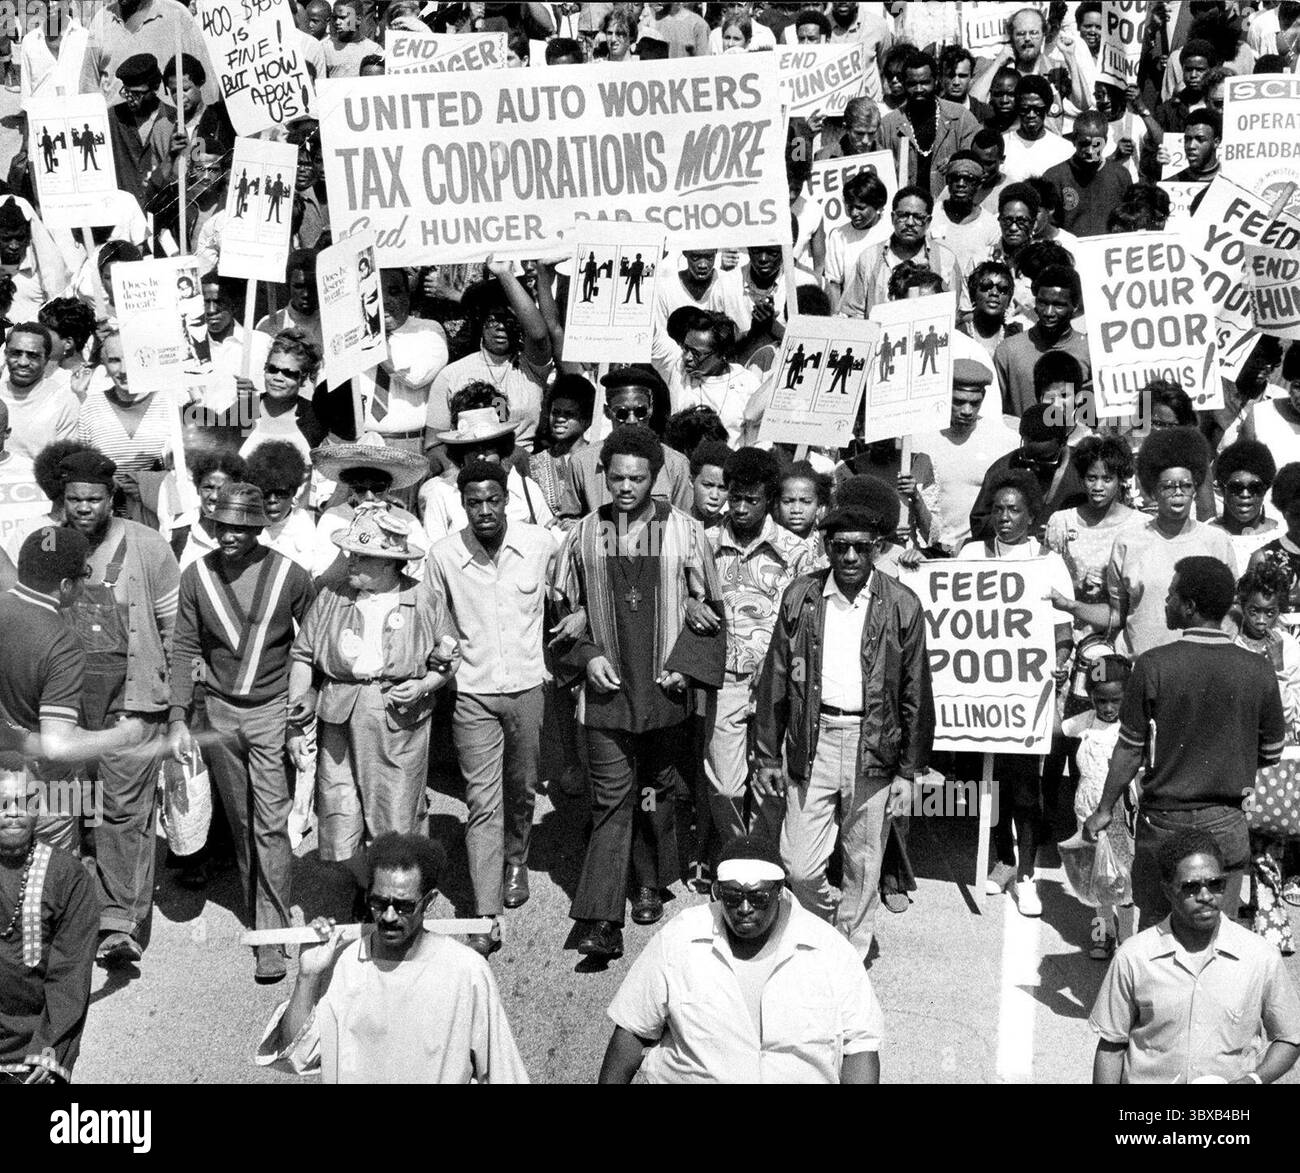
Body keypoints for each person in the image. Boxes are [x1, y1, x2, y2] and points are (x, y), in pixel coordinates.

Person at [552, 425, 725, 960]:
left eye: (638, 477)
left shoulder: (685, 532)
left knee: (656, 793)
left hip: (663, 693)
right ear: (602, 475)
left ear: (657, 477)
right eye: (617, 477)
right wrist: (586, 656)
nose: (626, 488)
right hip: (606, 696)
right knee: (612, 801)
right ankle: (601, 921)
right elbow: (557, 618)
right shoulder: (582, 535)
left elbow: (713, 614)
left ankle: (650, 879)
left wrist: (685, 666)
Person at [752, 484, 934, 960]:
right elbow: (774, 677)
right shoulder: (802, 597)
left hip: (872, 745)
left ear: (877, 547)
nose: (851, 555)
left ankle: (846, 957)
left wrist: (909, 772)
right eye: (840, 546)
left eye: (861, 546)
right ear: (825, 546)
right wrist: (768, 754)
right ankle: (825, 925)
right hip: (811, 740)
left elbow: (916, 693)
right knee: (800, 864)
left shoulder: (902, 604)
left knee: (863, 860)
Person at [1085, 557, 1286, 929]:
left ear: (1190, 606)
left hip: (1164, 825)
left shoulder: (1152, 665)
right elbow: (1272, 752)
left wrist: (1104, 809)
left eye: (1172, 595)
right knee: (1217, 934)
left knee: (1157, 931)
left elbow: (1129, 749)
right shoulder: (1259, 668)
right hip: (1227, 823)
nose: (1165, 602)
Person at [167, 484, 316, 985]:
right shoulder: (196, 576)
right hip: (221, 712)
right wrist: (177, 718)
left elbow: (312, 640)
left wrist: (303, 703)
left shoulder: (290, 575)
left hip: (272, 711)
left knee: (270, 821)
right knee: (242, 818)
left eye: (241, 527)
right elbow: (184, 643)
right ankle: (261, 908)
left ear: (259, 527)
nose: (230, 536)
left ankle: (270, 935)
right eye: (221, 526)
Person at [598, 834, 883, 1084]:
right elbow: (631, 1032)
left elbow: (861, 1048)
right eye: (732, 897)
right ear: (718, 892)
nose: (744, 908)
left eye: (758, 897)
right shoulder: (678, 939)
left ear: (781, 891)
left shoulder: (830, 951)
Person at [289, 507, 459, 911]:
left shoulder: (423, 599)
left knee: (396, 810)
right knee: (341, 805)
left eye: (361, 556)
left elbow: (450, 657)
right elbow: (303, 655)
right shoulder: (331, 597)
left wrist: (423, 685)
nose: (350, 562)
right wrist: (296, 721)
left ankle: (400, 893)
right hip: (338, 715)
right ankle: (368, 885)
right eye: (350, 553)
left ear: (390, 563)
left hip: (397, 718)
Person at [256, 832, 529, 1083]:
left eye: (403, 906)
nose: (388, 916)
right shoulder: (345, 965)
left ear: (430, 901)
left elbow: (503, 1072)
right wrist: (308, 975)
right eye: (378, 903)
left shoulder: (466, 971)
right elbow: (297, 1054)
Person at [425, 460, 556, 958]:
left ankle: (516, 857)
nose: (484, 510)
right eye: (474, 501)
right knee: (482, 801)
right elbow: (434, 613)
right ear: (463, 504)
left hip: (527, 688)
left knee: (521, 787)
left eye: (492, 500)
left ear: (507, 500)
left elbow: (572, 587)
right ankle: (483, 914)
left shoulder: (539, 545)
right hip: (473, 693)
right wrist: (441, 646)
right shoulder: (443, 555)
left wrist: (576, 615)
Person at [61, 449, 179, 968]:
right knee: (67, 804)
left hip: (132, 697)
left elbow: (176, 631)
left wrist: (179, 708)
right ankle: (65, 912)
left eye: (93, 499)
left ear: (113, 499)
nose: (83, 509)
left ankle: (120, 922)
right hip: (65, 698)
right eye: (73, 500)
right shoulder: (47, 546)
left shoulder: (149, 548)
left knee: (124, 811)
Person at [1090, 828, 1300, 1084]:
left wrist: (1254, 1080)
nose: (1206, 896)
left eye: (1215, 884)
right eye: (1190, 887)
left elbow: (1290, 1037)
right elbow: (1111, 1048)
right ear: (1168, 891)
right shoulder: (1133, 958)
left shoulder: (1260, 956)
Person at [963, 470, 1075, 913]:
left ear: (1032, 516)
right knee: (990, 785)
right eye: (998, 510)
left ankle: (1026, 873)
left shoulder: (1047, 561)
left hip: (1029, 693)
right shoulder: (972, 553)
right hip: (980, 695)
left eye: (1015, 511)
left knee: (1026, 787)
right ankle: (1002, 861)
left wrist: (1060, 664)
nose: (1005, 518)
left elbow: (1063, 630)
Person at [704, 448, 815, 851]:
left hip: (778, 685)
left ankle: (762, 858)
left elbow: (808, 622)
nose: (742, 508)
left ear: (768, 499)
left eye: (752, 499)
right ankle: (736, 850)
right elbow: (684, 593)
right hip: (724, 680)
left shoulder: (797, 551)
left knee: (771, 781)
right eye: (735, 497)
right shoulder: (706, 541)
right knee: (726, 785)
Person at [0, 761, 98, 1084]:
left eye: (22, 801)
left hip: (33, 1054)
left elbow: (71, 973)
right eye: (1, 803)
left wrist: (51, 1046)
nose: (12, 812)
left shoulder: (68, 877)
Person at [1107, 427, 1238, 659]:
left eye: (1185, 486)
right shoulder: (1127, 542)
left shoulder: (1217, 541)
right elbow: (1117, 613)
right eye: (1168, 486)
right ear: (1153, 491)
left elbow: (1232, 607)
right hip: (1142, 664)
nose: (1177, 493)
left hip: (1201, 666)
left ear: (1195, 490)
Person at [1063, 654, 1135, 961]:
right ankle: (1103, 934)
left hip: (1119, 815)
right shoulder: (1085, 722)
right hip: (1087, 812)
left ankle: (1129, 942)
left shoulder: (1133, 727)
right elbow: (1056, 728)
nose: (1107, 708)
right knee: (1097, 882)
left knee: (1124, 881)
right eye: (1101, 700)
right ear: (1092, 697)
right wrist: (1058, 690)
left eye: (1115, 700)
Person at [913, 359, 1018, 557]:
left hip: (981, 550)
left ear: (984, 397)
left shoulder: (1004, 440)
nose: (967, 411)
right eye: (959, 402)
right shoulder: (920, 439)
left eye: (975, 403)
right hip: (928, 550)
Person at [558, 366, 692, 520]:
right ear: (608, 413)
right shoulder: (582, 463)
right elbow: (569, 523)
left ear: (651, 409)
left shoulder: (676, 465)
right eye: (622, 413)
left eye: (640, 412)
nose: (632, 420)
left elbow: (686, 526)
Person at [838, 185, 967, 320]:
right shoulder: (869, 257)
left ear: (928, 221)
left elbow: (955, 313)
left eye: (918, 217)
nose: (910, 222)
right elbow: (854, 313)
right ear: (893, 217)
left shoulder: (946, 259)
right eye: (903, 216)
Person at [880, 49, 980, 198]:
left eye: (925, 82)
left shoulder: (961, 118)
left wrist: (957, 162)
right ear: (904, 84)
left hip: (949, 210)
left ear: (936, 80)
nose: (919, 89)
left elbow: (977, 164)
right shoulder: (889, 125)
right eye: (912, 84)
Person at [993, 264, 1091, 417]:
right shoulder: (1008, 351)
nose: (1048, 312)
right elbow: (996, 412)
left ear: (1075, 306)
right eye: (1043, 303)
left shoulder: (1089, 351)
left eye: (1059, 305)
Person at [1043, 111, 1134, 238]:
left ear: (1105, 141)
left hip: (1109, 253)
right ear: (1074, 140)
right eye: (1084, 144)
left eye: (1097, 144)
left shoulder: (1121, 175)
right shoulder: (1054, 177)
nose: (1090, 151)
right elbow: (1048, 225)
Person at [0, 322, 79, 462]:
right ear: (6, 354)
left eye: (33, 356)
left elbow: (66, 462)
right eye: (16, 353)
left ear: (47, 360)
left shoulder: (63, 401)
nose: (23, 362)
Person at [324, 0, 383, 76]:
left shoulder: (374, 50)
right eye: (335, 18)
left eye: (343, 18)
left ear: (358, 19)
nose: (337, 22)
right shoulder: (326, 48)